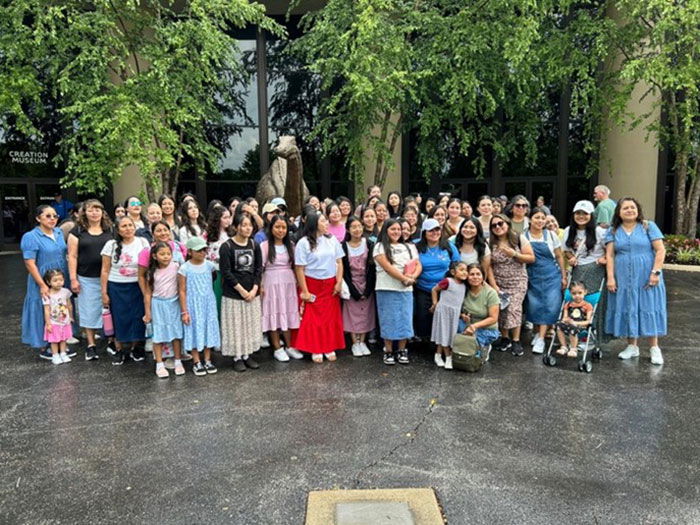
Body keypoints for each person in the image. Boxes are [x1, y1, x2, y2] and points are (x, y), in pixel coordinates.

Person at [605, 198, 667, 365]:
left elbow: (660, 250)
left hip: (647, 275)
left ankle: (654, 348)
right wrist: (611, 277)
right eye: (625, 208)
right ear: (619, 212)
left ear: (638, 210)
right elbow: (610, 255)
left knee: (649, 307)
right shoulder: (613, 230)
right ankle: (632, 346)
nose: (629, 210)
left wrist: (656, 272)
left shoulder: (648, 226)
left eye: (633, 207)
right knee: (629, 306)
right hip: (623, 277)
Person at [293, 212, 345, 363]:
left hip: (330, 283)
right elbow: (299, 268)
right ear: (314, 223)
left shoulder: (332, 240)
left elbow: (339, 262)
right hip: (312, 283)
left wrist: (339, 281)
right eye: (323, 221)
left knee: (330, 317)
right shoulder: (303, 243)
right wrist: (305, 291)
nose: (326, 223)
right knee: (313, 318)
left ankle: (329, 346)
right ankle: (315, 348)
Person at [21, 205, 71, 359]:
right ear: (38, 218)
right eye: (48, 216)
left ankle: (60, 342)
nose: (52, 219)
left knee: (60, 308)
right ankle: (45, 346)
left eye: (55, 216)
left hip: (59, 278)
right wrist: (42, 285)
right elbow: (29, 263)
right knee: (44, 309)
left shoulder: (58, 232)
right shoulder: (31, 236)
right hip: (42, 279)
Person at [100, 216, 150, 365]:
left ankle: (136, 348)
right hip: (116, 286)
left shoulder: (142, 242)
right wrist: (104, 292)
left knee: (137, 317)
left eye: (130, 225)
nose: (128, 228)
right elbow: (104, 270)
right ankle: (119, 349)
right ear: (118, 229)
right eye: (124, 226)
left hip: (137, 285)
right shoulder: (111, 244)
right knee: (119, 318)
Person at [67, 199, 113, 360]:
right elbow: (72, 256)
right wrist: (73, 279)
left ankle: (112, 342)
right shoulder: (77, 231)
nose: (94, 213)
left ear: (102, 212)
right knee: (88, 312)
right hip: (86, 277)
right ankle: (91, 345)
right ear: (84, 212)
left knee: (110, 310)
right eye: (90, 210)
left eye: (97, 209)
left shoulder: (110, 230)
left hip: (109, 277)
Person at [373, 218, 421, 365]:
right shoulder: (379, 247)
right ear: (386, 230)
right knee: (388, 319)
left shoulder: (409, 247)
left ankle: (402, 349)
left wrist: (412, 277)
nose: (396, 232)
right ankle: (388, 350)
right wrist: (403, 278)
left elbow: (418, 264)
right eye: (393, 229)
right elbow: (387, 267)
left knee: (405, 320)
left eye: (398, 229)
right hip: (387, 288)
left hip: (406, 289)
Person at [219, 212, 263, 372]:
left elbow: (259, 268)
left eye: (250, 225)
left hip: (252, 293)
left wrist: (254, 289)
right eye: (244, 225)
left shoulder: (254, 245)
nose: (247, 228)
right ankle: (237, 356)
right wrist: (242, 291)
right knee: (236, 326)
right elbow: (226, 272)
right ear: (236, 227)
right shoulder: (227, 246)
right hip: (234, 294)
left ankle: (247, 355)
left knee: (249, 324)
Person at [487, 214, 535, 356]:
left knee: (514, 308)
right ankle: (505, 338)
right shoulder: (490, 242)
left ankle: (516, 340)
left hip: (517, 280)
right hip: (499, 280)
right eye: (493, 225)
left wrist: (514, 254)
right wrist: (493, 284)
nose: (497, 227)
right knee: (502, 309)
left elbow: (531, 258)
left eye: (500, 223)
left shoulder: (518, 238)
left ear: (507, 224)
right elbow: (488, 265)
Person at [562, 200, 609, 345]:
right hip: (578, 271)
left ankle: (592, 336)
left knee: (592, 303)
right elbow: (567, 251)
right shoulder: (569, 230)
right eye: (578, 213)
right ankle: (576, 335)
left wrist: (604, 258)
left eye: (585, 213)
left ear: (591, 215)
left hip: (595, 270)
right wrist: (571, 259)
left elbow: (610, 251)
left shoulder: (599, 231)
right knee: (575, 302)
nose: (581, 216)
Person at [260, 215, 302, 362]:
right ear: (271, 229)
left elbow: (297, 265)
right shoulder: (264, 246)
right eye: (277, 227)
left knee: (288, 312)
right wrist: (260, 285)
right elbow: (260, 268)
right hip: (271, 282)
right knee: (274, 313)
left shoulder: (291, 245)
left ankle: (290, 346)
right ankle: (277, 348)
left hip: (288, 282)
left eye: (283, 227)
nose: (281, 230)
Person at [524, 207, 566, 354]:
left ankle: (541, 339)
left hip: (551, 275)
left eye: (543, 218)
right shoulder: (523, 236)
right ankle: (537, 333)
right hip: (532, 274)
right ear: (530, 219)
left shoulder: (551, 235)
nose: (540, 221)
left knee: (549, 305)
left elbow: (559, 256)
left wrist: (563, 275)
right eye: (537, 217)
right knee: (534, 305)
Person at [142, 242, 186, 378]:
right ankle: (159, 364)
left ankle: (178, 361)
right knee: (158, 335)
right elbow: (148, 293)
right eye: (162, 254)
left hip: (174, 304)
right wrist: (148, 312)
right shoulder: (151, 272)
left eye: (168, 254)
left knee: (176, 333)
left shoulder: (177, 267)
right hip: (158, 305)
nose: (166, 257)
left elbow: (182, 288)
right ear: (154, 256)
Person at [178, 237, 220, 376]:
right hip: (192, 303)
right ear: (190, 252)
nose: (202, 253)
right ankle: (196, 361)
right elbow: (182, 290)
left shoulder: (209, 265)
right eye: (199, 250)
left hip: (208, 302)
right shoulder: (184, 268)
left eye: (204, 250)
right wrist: (184, 311)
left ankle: (208, 359)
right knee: (194, 329)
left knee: (208, 328)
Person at [413, 218, 461, 341]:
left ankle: (440, 342)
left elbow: (456, 265)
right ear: (424, 233)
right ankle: (424, 341)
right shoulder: (416, 246)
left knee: (443, 317)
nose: (435, 233)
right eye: (431, 230)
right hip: (423, 288)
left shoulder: (449, 246)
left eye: (437, 229)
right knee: (423, 317)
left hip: (444, 289)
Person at [341, 216, 376, 357]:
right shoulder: (343, 246)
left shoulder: (369, 243)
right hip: (351, 284)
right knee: (352, 314)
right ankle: (354, 342)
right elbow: (343, 271)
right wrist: (352, 290)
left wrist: (368, 289)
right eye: (353, 227)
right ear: (348, 229)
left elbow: (372, 268)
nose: (357, 230)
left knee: (366, 313)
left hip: (367, 283)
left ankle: (363, 341)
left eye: (359, 226)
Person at [430, 261, 468, 370]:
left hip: (454, 313)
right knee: (445, 333)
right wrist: (435, 303)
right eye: (461, 270)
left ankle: (437, 355)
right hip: (443, 311)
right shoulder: (448, 281)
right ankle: (448, 357)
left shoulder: (464, 286)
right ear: (453, 272)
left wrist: (461, 314)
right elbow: (434, 289)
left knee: (446, 334)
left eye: (466, 270)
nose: (465, 272)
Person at [460, 264, 501, 361]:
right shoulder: (463, 290)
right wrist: (462, 315)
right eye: (472, 274)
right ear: (467, 276)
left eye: (478, 274)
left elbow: (493, 318)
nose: (475, 277)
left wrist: (474, 326)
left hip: (486, 328)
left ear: (483, 276)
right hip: (468, 324)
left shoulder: (490, 293)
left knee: (474, 357)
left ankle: (485, 346)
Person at [41, 269, 74, 365]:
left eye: (61, 280)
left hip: (65, 320)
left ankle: (63, 353)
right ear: (48, 282)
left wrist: (71, 316)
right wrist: (48, 323)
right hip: (54, 322)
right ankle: (55, 355)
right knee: (54, 340)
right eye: (55, 280)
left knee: (63, 338)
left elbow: (69, 305)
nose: (59, 282)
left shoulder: (66, 292)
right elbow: (46, 309)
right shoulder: (47, 295)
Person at [204, 205, 232, 317]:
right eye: (225, 217)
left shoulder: (232, 234)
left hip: (228, 272)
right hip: (214, 273)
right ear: (217, 219)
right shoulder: (208, 235)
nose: (228, 220)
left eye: (229, 217)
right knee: (216, 300)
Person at [555, 281, 593, 358]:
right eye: (574, 293)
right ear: (570, 293)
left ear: (585, 292)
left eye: (580, 293)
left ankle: (573, 348)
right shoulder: (568, 304)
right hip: (569, 323)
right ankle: (564, 346)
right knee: (558, 325)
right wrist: (566, 320)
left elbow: (588, 321)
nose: (577, 296)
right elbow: (564, 317)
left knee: (573, 327)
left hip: (581, 325)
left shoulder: (587, 306)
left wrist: (575, 323)